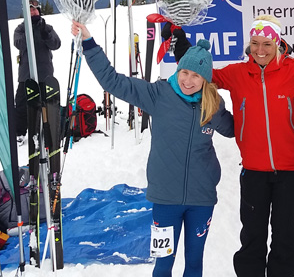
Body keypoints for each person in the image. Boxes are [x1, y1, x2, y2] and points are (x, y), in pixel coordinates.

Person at [71, 21, 234, 277]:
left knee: (194, 263)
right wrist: (89, 43)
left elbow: (236, 129)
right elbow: (113, 81)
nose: (188, 81)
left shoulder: (212, 104)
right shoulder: (159, 94)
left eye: (196, 76)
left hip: (202, 200)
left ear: (206, 80)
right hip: (165, 199)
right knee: (163, 265)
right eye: (185, 73)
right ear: (178, 70)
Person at [169, 14, 294, 277]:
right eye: (255, 43)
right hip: (254, 170)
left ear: (278, 44)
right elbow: (200, 74)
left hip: (292, 171)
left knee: (285, 233)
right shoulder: (238, 73)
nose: (260, 50)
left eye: (267, 44)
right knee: (252, 234)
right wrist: (182, 47)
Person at [13, 0, 61, 143]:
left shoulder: (46, 27)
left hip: (44, 73)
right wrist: (30, 31)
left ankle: (48, 131)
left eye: (35, 9)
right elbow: (19, 44)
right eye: (30, 10)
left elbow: (56, 44)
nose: (33, 12)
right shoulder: (20, 29)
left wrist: (45, 34)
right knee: (21, 104)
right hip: (26, 75)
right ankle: (19, 133)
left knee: (47, 104)